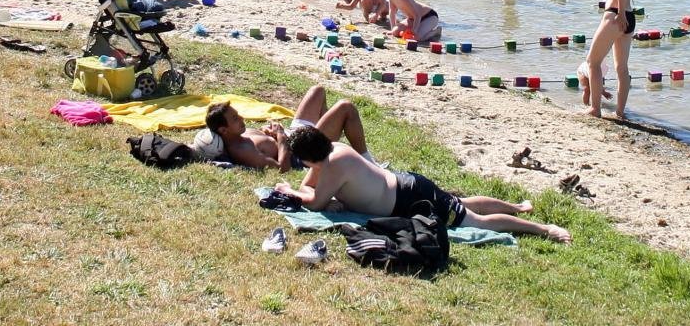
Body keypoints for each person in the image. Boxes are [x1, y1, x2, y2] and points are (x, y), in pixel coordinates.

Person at [274, 127, 568, 242]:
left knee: (473, 221)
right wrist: (309, 189)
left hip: (409, 199)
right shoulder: (335, 150)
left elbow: (314, 202)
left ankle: (545, 230)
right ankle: (518, 206)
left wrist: (291, 193)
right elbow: (312, 184)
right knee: (461, 205)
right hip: (407, 184)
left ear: (308, 157)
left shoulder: (334, 166)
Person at [198, 85, 368, 168]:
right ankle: (367, 161)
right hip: (303, 150)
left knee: (318, 91)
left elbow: (268, 141)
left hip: (295, 134)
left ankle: (328, 146)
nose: (241, 118)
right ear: (223, 130)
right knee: (346, 107)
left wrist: (270, 132)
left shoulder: (241, 134)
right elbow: (282, 167)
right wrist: (280, 137)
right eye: (235, 118)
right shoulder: (242, 150)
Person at [579, 0, 634, 122]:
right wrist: (624, 14)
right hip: (629, 17)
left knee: (592, 62)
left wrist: (619, 14)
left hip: (615, 16)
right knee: (622, 69)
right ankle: (620, 112)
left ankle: (595, 108)